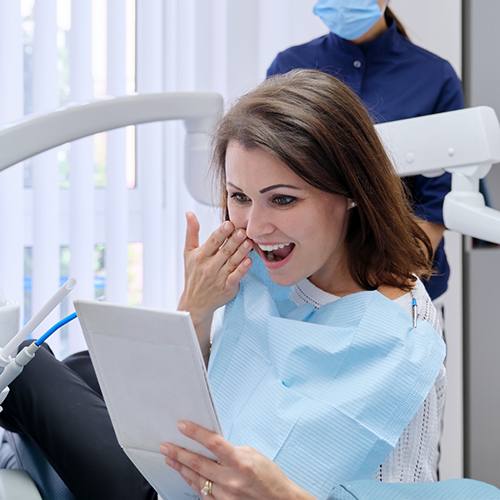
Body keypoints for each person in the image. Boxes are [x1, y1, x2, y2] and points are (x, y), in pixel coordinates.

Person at [0, 70, 445, 500]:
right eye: (239, 197)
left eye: (283, 199)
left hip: (172, 489)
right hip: (177, 458)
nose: (255, 226)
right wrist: (196, 308)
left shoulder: (402, 337)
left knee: (24, 367)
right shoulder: (258, 266)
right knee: (81, 364)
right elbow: (214, 385)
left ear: (352, 191)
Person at [267, 0, 465, 302]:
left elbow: (436, 205)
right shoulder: (289, 67)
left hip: (398, 278)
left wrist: (389, 288)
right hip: (305, 281)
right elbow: (270, 177)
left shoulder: (435, 76)